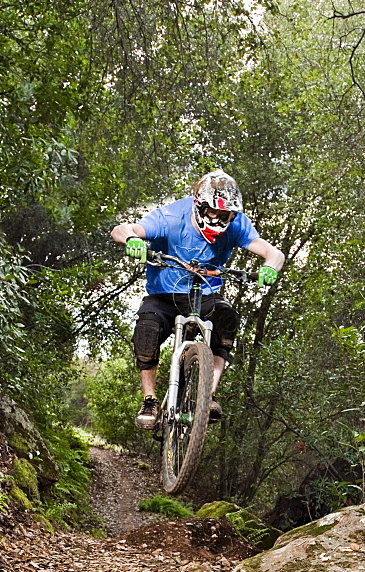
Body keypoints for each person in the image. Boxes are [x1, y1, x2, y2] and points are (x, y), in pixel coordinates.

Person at [111, 169, 285, 429]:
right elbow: (123, 229)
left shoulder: (237, 224)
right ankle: (149, 399)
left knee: (226, 319)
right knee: (147, 327)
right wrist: (132, 239)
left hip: (204, 293)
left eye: (224, 215)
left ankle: (208, 395)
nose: (217, 219)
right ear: (198, 205)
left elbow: (273, 252)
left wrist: (270, 267)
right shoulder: (171, 217)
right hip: (164, 294)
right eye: (212, 212)